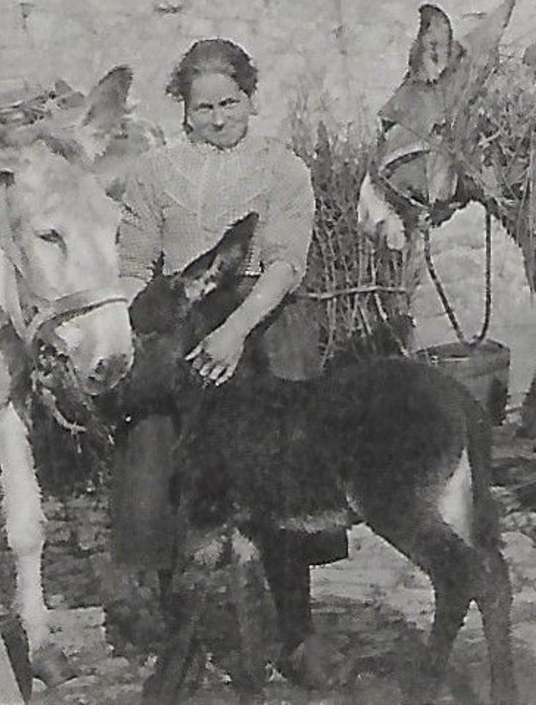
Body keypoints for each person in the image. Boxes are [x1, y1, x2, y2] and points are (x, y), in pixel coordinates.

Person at [113, 37, 345, 677]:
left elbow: (286, 263)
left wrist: (235, 331)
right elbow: (135, 266)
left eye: (230, 103)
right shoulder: (154, 173)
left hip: (263, 325)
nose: (218, 118)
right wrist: (159, 335)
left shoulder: (281, 167)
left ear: (251, 99)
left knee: (284, 467)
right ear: (182, 110)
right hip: (180, 329)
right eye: (203, 107)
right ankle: (180, 641)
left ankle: (296, 632)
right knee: (164, 463)